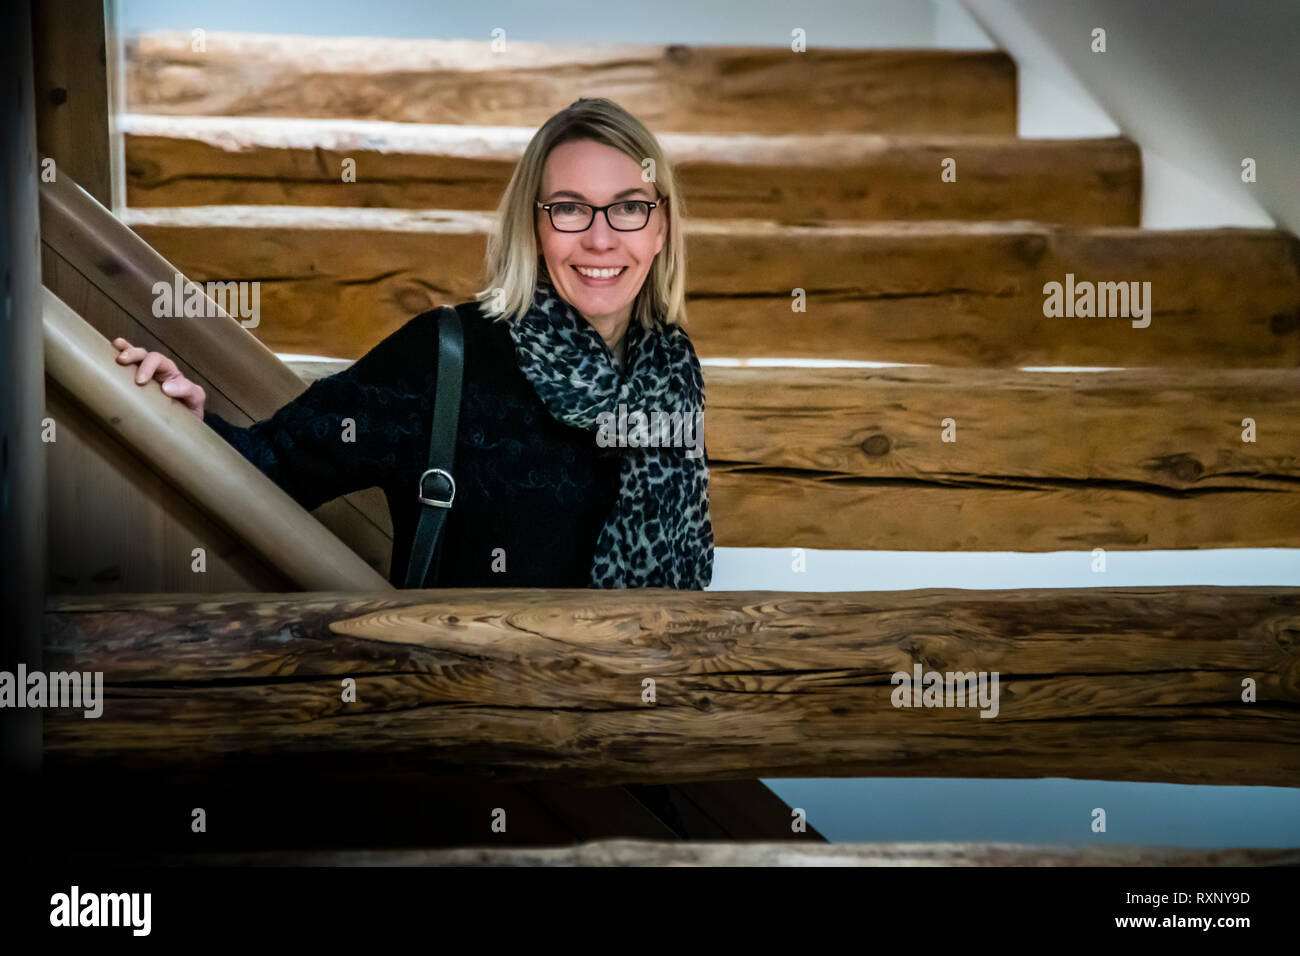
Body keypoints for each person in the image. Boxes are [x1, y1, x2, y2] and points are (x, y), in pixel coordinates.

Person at [113, 97, 714, 590]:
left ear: (660, 228)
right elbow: (273, 465)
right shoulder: (447, 356)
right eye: (569, 209)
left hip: (633, 721)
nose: (601, 239)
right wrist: (191, 422)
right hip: (462, 719)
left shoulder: (672, 379)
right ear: (533, 228)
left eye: (629, 208)